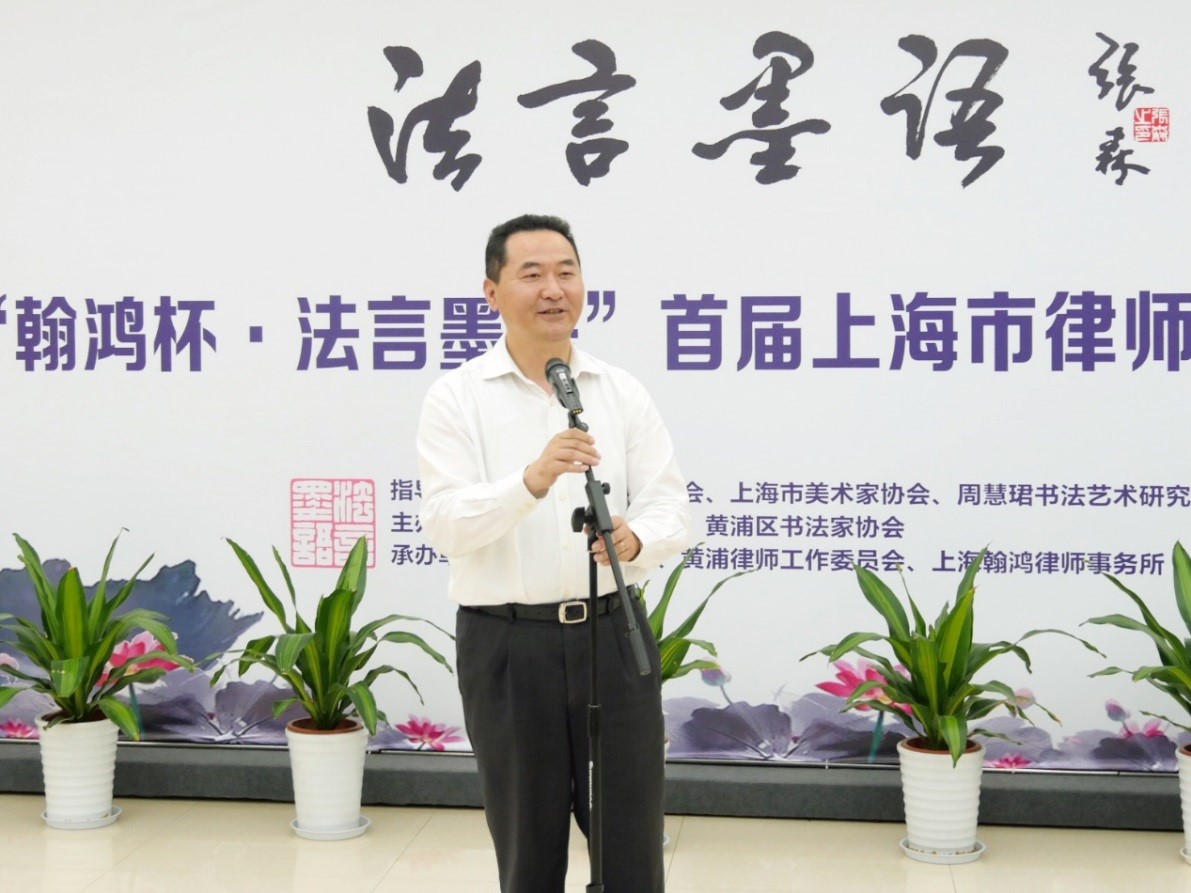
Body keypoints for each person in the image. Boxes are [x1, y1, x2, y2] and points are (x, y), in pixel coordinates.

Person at [416, 213, 691, 892]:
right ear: (491, 291)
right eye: (532, 274)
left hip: (613, 636)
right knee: (528, 849)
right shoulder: (456, 398)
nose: (553, 289)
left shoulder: (619, 390)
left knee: (631, 849)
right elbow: (446, 525)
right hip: (509, 646)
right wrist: (530, 481)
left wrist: (635, 538)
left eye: (566, 272)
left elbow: (671, 506)